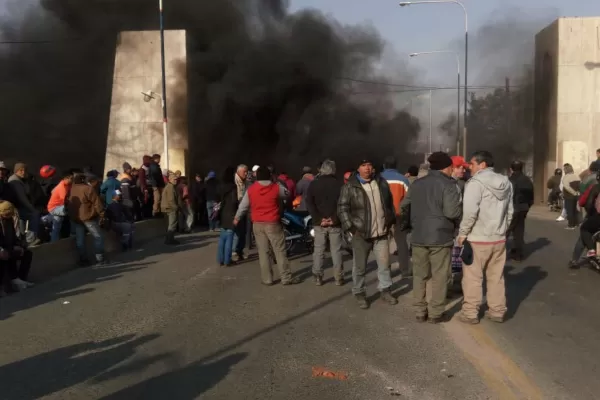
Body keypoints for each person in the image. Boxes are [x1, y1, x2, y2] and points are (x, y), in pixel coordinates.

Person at [400, 152, 462, 323]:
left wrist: (412, 222)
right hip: (441, 236)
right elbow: (452, 212)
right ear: (446, 167)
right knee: (440, 275)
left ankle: (420, 310)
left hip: (418, 235)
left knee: (420, 274)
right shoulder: (448, 185)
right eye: (451, 167)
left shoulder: (417, 183)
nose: (452, 170)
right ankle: (435, 313)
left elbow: (404, 205)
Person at [458, 151, 513, 324]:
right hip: (498, 238)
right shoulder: (506, 183)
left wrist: (463, 233)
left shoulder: (474, 183)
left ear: (482, 165)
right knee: (496, 277)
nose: (469, 167)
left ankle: (470, 313)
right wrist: (502, 230)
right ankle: (497, 311)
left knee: (473, 278)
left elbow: (470, 212)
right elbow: (509, 212)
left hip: (477, 238)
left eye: (472, 164)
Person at [338, 159, 397, 309]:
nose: (367, 168)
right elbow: (342, 208)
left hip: (381, 234)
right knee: (360, 267)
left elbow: (389, 204)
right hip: (361, 234)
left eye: (369, 165)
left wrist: (389, 221)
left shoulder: (382, 183)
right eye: (363, 165)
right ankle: (359, 293)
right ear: (358, 168)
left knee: (384, 266)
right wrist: (351, 228)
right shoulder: (350, 186)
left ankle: (385, 290)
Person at [234, 166, 300, 286]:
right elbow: (287, 193)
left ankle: (267, 279)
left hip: (258, 224)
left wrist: (237, 218)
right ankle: (286, 278)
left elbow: (243, 206)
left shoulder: (251, 189)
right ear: (269, 175)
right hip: (273, 223)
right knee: (279, 251)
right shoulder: (276, 187)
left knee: (263, 252)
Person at [306, 159, 344, 286]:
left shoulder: (313, 184)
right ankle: (338, 277)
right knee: (336, 250)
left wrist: (318, 219)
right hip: (335, 223)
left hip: (319, 224)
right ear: (333, 170)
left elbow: (310, 204)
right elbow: (342, 204)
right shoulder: (339, 185)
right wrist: (333, 218)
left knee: (319, 250)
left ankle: (318, 277)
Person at [380, 155, 411, 276]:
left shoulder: (379, 179)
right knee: (402, 243)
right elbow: (409, 199)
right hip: (399, 216)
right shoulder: (403, 179)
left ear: (384, 165)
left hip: (383, 216)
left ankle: (385, 270)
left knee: (383, 244)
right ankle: (404, 270)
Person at [67, 173, 106, 266]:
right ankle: (99, 259)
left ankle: (83, 260)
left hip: (76, 219)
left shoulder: (71, 189)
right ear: (83, 180)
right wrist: (102, 214)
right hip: (88, 218)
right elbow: (97, 203)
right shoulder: (88, 189)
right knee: (98, 237)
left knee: (80, 240)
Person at [0, 200, 34, 294]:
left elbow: (13, 236)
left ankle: (20, 280)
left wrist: (17, 246)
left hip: (9, 247)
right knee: (4, 257)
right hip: (2, 249)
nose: (8, 216)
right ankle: (6, 285)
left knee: (27, 253)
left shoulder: (9, 219)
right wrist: (2, 250)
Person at [8, 163, 41, 246]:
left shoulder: (22, 180)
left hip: (19, 208)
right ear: (16, 171)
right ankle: (30, 240)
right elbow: (22, 199)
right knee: (34, 215)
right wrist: (32, 209)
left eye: (25, 170)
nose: (23, 172)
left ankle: (23, 241)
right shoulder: (15, 181)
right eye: (21, 170)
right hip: (16, 209)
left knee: (21, 226)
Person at [507, 161, 534, 261]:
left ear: (511, 169)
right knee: (519, 231)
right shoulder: (527, 180)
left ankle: (498, 253)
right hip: (523, 208)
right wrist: (527, 206)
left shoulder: (509, 180)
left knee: (506, 231)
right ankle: (518, 254)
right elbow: (531, 196)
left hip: (512, 208)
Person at [217, 167, 239, 266]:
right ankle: (227, 260)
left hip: (223, 213)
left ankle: (220, 259)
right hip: (231, 213)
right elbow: (234, 202)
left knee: (222, 237)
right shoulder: (233, 187)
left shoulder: (221, 186)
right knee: (229, 238)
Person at [47, 170, 74, 242]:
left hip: (57, 207)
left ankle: (54, 241)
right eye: (71, 178)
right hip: (54, 208)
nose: (72, 180)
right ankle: (45, 219)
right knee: (71, 213)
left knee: (57, 226)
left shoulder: (67, 184)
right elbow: (65, 200)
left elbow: (52, 191)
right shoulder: (62, 187)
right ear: (66, 178)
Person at [232, 164, 249, 261]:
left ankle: (240, 250)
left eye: (247, 171)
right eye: (244, 172)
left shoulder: (246, 182)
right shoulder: (234, 181)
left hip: (244, 209)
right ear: (238, 172)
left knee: (243, 232)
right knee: (237, 232)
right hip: (236, 209)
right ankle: (234, 251)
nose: (246, 174)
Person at [161, 172, 181, 245]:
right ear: (170, 179)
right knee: (172, 225)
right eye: (174, 179)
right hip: (170, 208)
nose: (176, 181)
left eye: (176, 179)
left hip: (166, 208)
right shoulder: (170, 187)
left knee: (169, 225)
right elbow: (171, 200)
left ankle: (169, 239)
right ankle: (170, 240)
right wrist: (176, 208)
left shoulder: (169, 186)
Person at [562, 163, 580, 230]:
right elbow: (579, 186)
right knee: (574, 210)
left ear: (566, 170)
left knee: (569, 210)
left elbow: (567, 187)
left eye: (564, 169)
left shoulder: (566, 177)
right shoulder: (576, 176)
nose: (564, 170)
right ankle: (575, 223)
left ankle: (571, 225)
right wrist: (577, 193)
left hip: (569, 196)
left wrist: (573, 192)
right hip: (576, 196)